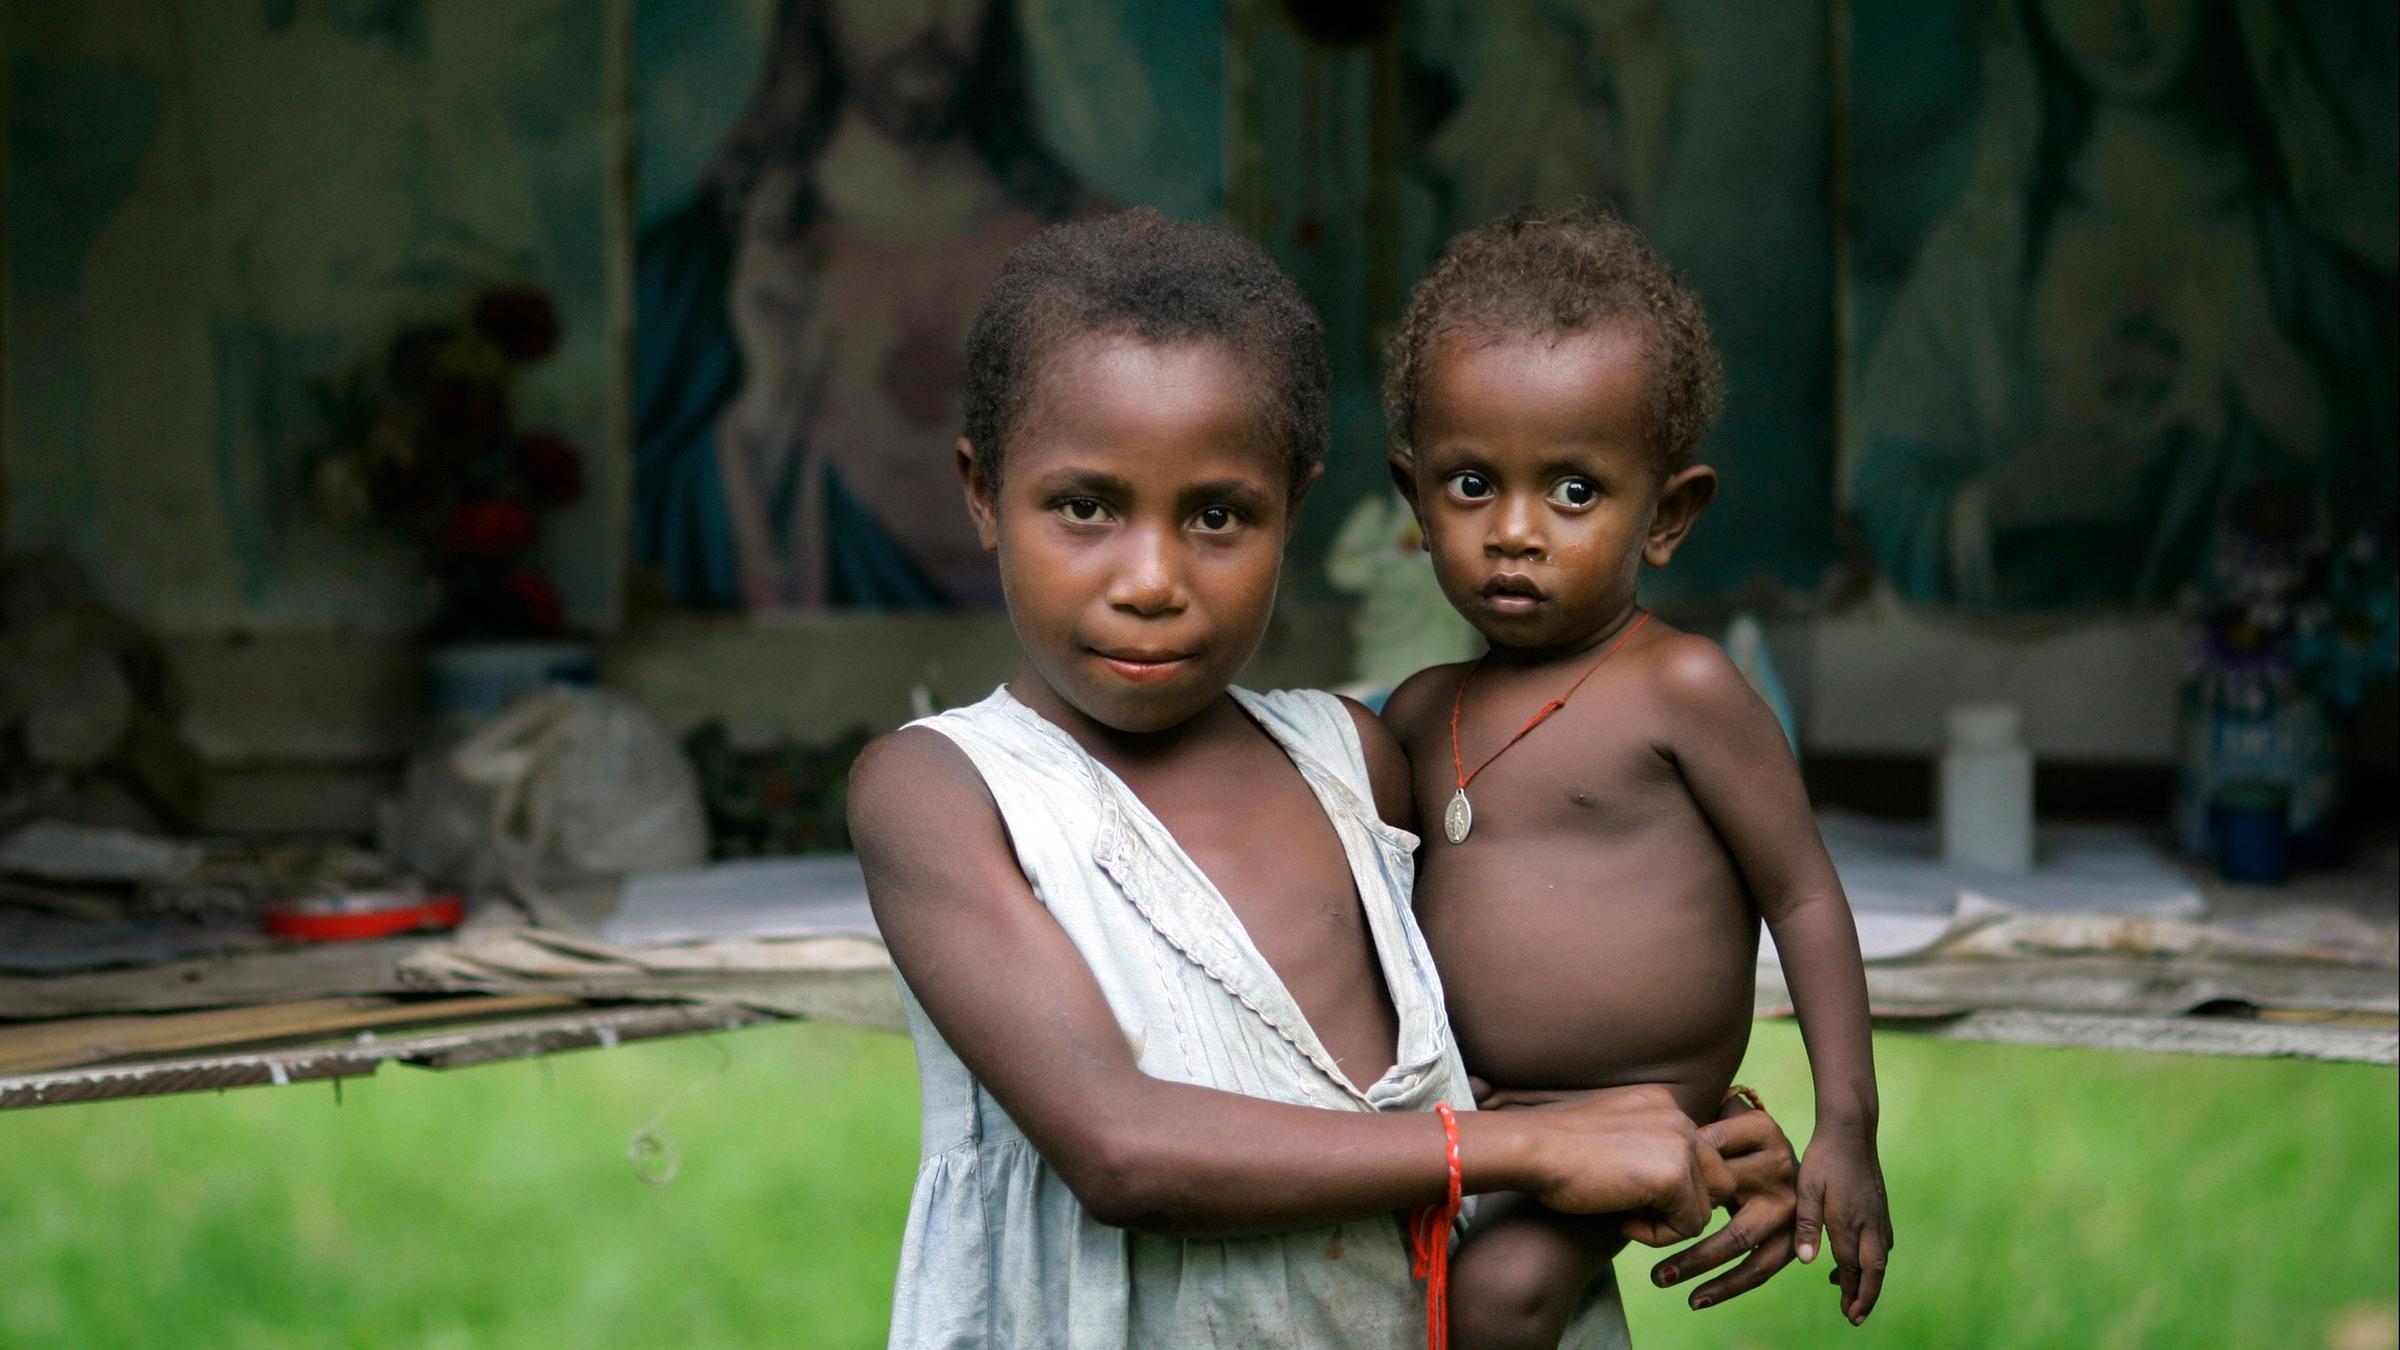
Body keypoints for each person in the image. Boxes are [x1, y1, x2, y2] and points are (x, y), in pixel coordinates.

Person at [850, 208, 1802, 1348]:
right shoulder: (947, 793)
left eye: (1217, 516)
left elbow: (1506, 1061)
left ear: (1293, 513)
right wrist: (1532, 1147)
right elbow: (1120, 1150)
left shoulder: (1357, 764)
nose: (1150, 579)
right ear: (981, 493)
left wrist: (1685, 1129)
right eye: (1085, 507)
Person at [1379, 208, 1891, 1345]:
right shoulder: (1415, 715)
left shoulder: (1684, 690)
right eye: (1471, 486)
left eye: (1573, 493)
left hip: (1652, 1116)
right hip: (1479, 1123)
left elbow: (1804, 896)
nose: (1515, 531)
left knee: (1503, 1297)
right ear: (1414, 499)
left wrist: (1845, 1125)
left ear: (1668, 514)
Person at [1846, 0, 2395, 608]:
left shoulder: (2305, 258)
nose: (2122, 16)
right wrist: (2012, 501)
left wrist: (2308, 424)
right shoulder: (1987, 263)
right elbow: (1883, 500)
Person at [635, 0, 1097, 609]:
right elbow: (663, 537)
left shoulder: (1094, 255)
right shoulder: (704, 264)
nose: (927, 23)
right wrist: (767, 409)